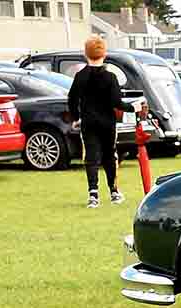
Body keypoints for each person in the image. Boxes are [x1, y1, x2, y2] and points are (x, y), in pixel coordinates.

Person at [68, 34, 136, 209]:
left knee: (91, 157)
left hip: (88, 123)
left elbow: (72, 99)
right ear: (104, 54)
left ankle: (93, 194)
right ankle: (114, 191)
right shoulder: (110, 77)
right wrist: (134, 108)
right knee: (109, 155)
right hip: (108, 123)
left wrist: (76, 118)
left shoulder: (80, 76)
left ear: (86, 54)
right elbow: (117, 103)